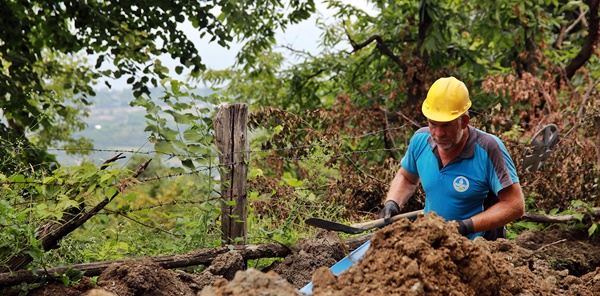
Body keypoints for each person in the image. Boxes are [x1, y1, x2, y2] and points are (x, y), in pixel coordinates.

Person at [380, 76, 525, 240]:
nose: (439, 134)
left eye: (447, 125)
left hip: (479, 249)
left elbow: (514, 205)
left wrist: (465, 226)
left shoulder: (488, 148)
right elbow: (407, 177)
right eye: (433, 124)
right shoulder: (420, 141)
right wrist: (392, 202)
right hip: (432, 243)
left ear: (464, 121)